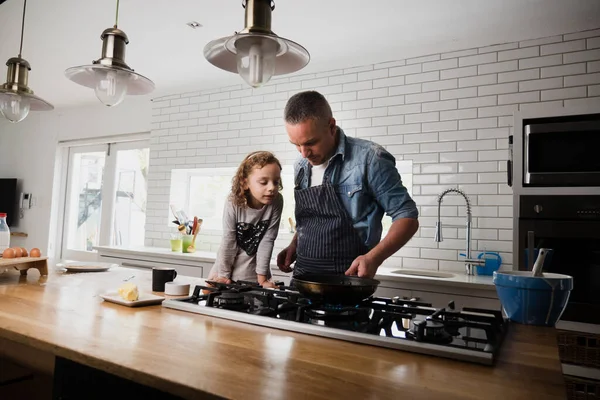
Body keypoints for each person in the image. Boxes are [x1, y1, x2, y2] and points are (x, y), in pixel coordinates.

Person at [277, 91, 419, 279]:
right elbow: (312, 219)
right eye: (296, 144)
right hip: (303, 280)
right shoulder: (301, 165)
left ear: (331, 126)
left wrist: (374, 258)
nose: (304, 153)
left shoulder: (370, 158)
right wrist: (295, 244)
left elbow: (407, 216)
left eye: (311, 143)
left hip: (348, 281)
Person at [207, 151, 283, 288]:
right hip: (225, 271)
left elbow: (268, 240)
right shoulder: (233, 201)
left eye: (276, 182)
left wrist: (262, 279)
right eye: (263, 182)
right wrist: (224, 275)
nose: (272, 188)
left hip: (256, 276)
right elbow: (229, 240)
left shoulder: (276, 201)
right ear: (245, 182)